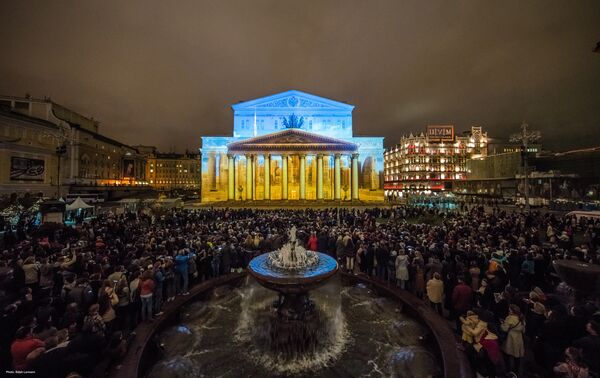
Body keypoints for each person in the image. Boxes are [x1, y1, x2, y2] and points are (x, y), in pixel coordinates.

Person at [501, 304, 525, 374]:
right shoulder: (522, 318)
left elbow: (504, 329)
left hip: (511, 337)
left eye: (509, 310)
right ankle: (516, 370)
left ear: (513, 311)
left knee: (507, 353)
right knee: (517, 354)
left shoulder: (509, 318)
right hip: (519, 337)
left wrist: (502, 324)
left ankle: (508, 370)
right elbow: (523, 330)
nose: (508, 311)